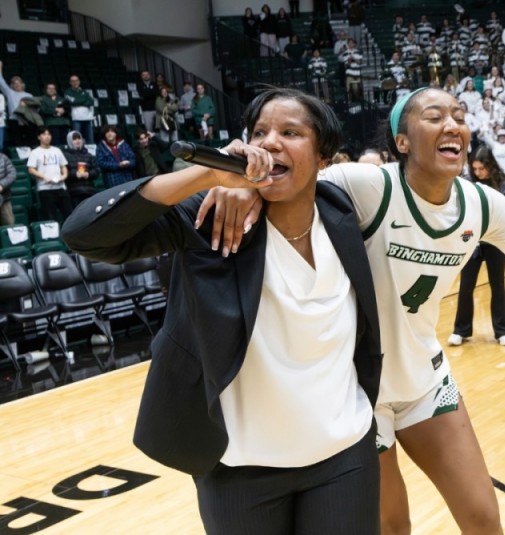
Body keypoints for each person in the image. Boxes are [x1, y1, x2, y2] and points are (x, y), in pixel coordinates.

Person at [199, 87, 505, 531]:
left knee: (484, 520)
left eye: (460, 115)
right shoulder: (368, 185)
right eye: (434, 115)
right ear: (402, 141)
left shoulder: (483, 204)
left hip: (425, 381)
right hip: (359, 395)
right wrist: (237, 183)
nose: (453, 125)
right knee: (392, 527)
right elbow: (290, 182)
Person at [61, 87, 382, 534]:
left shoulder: (342, 210)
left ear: (324, 156)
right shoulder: (211, 219)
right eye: (259, 132)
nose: (270, 143)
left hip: (345, 452)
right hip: (240, 467)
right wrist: (205, 177)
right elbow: (84, 234)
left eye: (290, 132)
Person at [448, 146, 505, 347]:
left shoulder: (504, 184)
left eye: (481, 168)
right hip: (472, 242)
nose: (478, 173)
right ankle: (461, 330)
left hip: (495, 241)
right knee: (466, 286)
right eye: (475, 169)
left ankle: (502, 332)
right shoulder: (468, 184)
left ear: (490, 165)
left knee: (498, 286)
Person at [27, 126, 72, 222]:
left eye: (49, 134)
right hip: (45, 188)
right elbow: (31, 169)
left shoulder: (57, 150)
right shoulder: (35, 152)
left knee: (68, 214)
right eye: (44, 134)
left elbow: (63, 165)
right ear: (39, 137)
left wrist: (64, 176)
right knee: (50, 217)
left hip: (60, 186)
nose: (47, 137)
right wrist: (44, 177)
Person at [63, 130, 100, 208]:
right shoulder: (65, 155)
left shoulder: (88, 155)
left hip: (89, 190)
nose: (77, 141)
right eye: (74, 139)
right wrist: (75, 174)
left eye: (79, 138)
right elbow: (64, 172)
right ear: (70, 141)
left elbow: (96, 170)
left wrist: (89, 174)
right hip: (74, 191)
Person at [64, 74, 95, 144]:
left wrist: (78, 101)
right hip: (76, 118)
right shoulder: (67, 92)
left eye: (76, 80)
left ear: (79, 82)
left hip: (87, 118)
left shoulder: (84, 91)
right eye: (73, 81)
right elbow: (72, 102)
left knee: (90, 139)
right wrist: (83, 100)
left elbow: (91, 101)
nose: (75, 82)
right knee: (77, 139)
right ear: (70, 83)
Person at [0, 151, 17, 225]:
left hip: (4, 198)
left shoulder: (3, 158)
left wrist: (2, 185)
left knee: (10, 225)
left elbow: (12, 174)